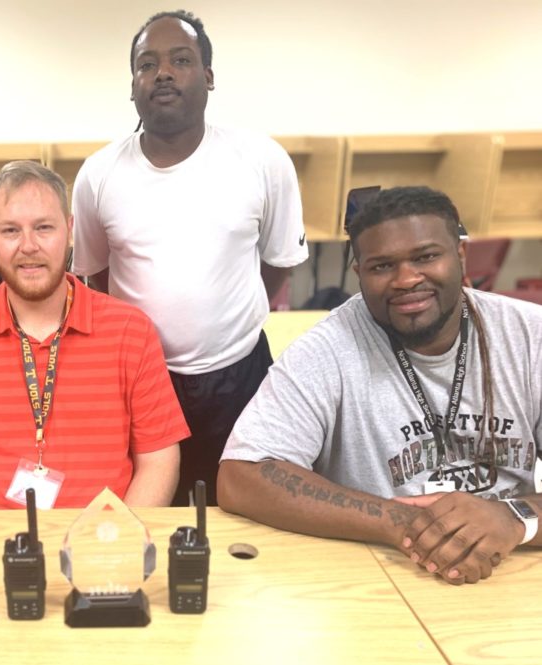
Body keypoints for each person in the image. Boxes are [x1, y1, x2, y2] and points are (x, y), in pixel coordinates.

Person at [218, 186, 542, 586]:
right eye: (382, 266)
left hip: (513, 568)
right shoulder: (328, 349)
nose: (406, 279)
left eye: (426, 257)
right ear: (360, 274)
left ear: (460, 255)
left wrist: (516, 518)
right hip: (381, 573)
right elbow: (241, 475)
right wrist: (401, 521)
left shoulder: (530, 336)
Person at [71, 10, 307, 506]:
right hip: (138, 378)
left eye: (181, 59)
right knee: (148, 506)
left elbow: (279, 260)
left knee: (243, 507)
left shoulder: (262, 160)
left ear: (208, 76)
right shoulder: (98, 175)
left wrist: (222, 320)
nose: (162, 73)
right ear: (132, 84)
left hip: (238, 372)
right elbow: (95, 277)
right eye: (146, 63)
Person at [0, 161, 188, 510]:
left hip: (104, 543)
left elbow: (159, 461)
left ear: (69, 230)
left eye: (44, 228)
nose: (28, 246)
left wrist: (118, 543)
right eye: (10, 231)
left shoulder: (131, 331)